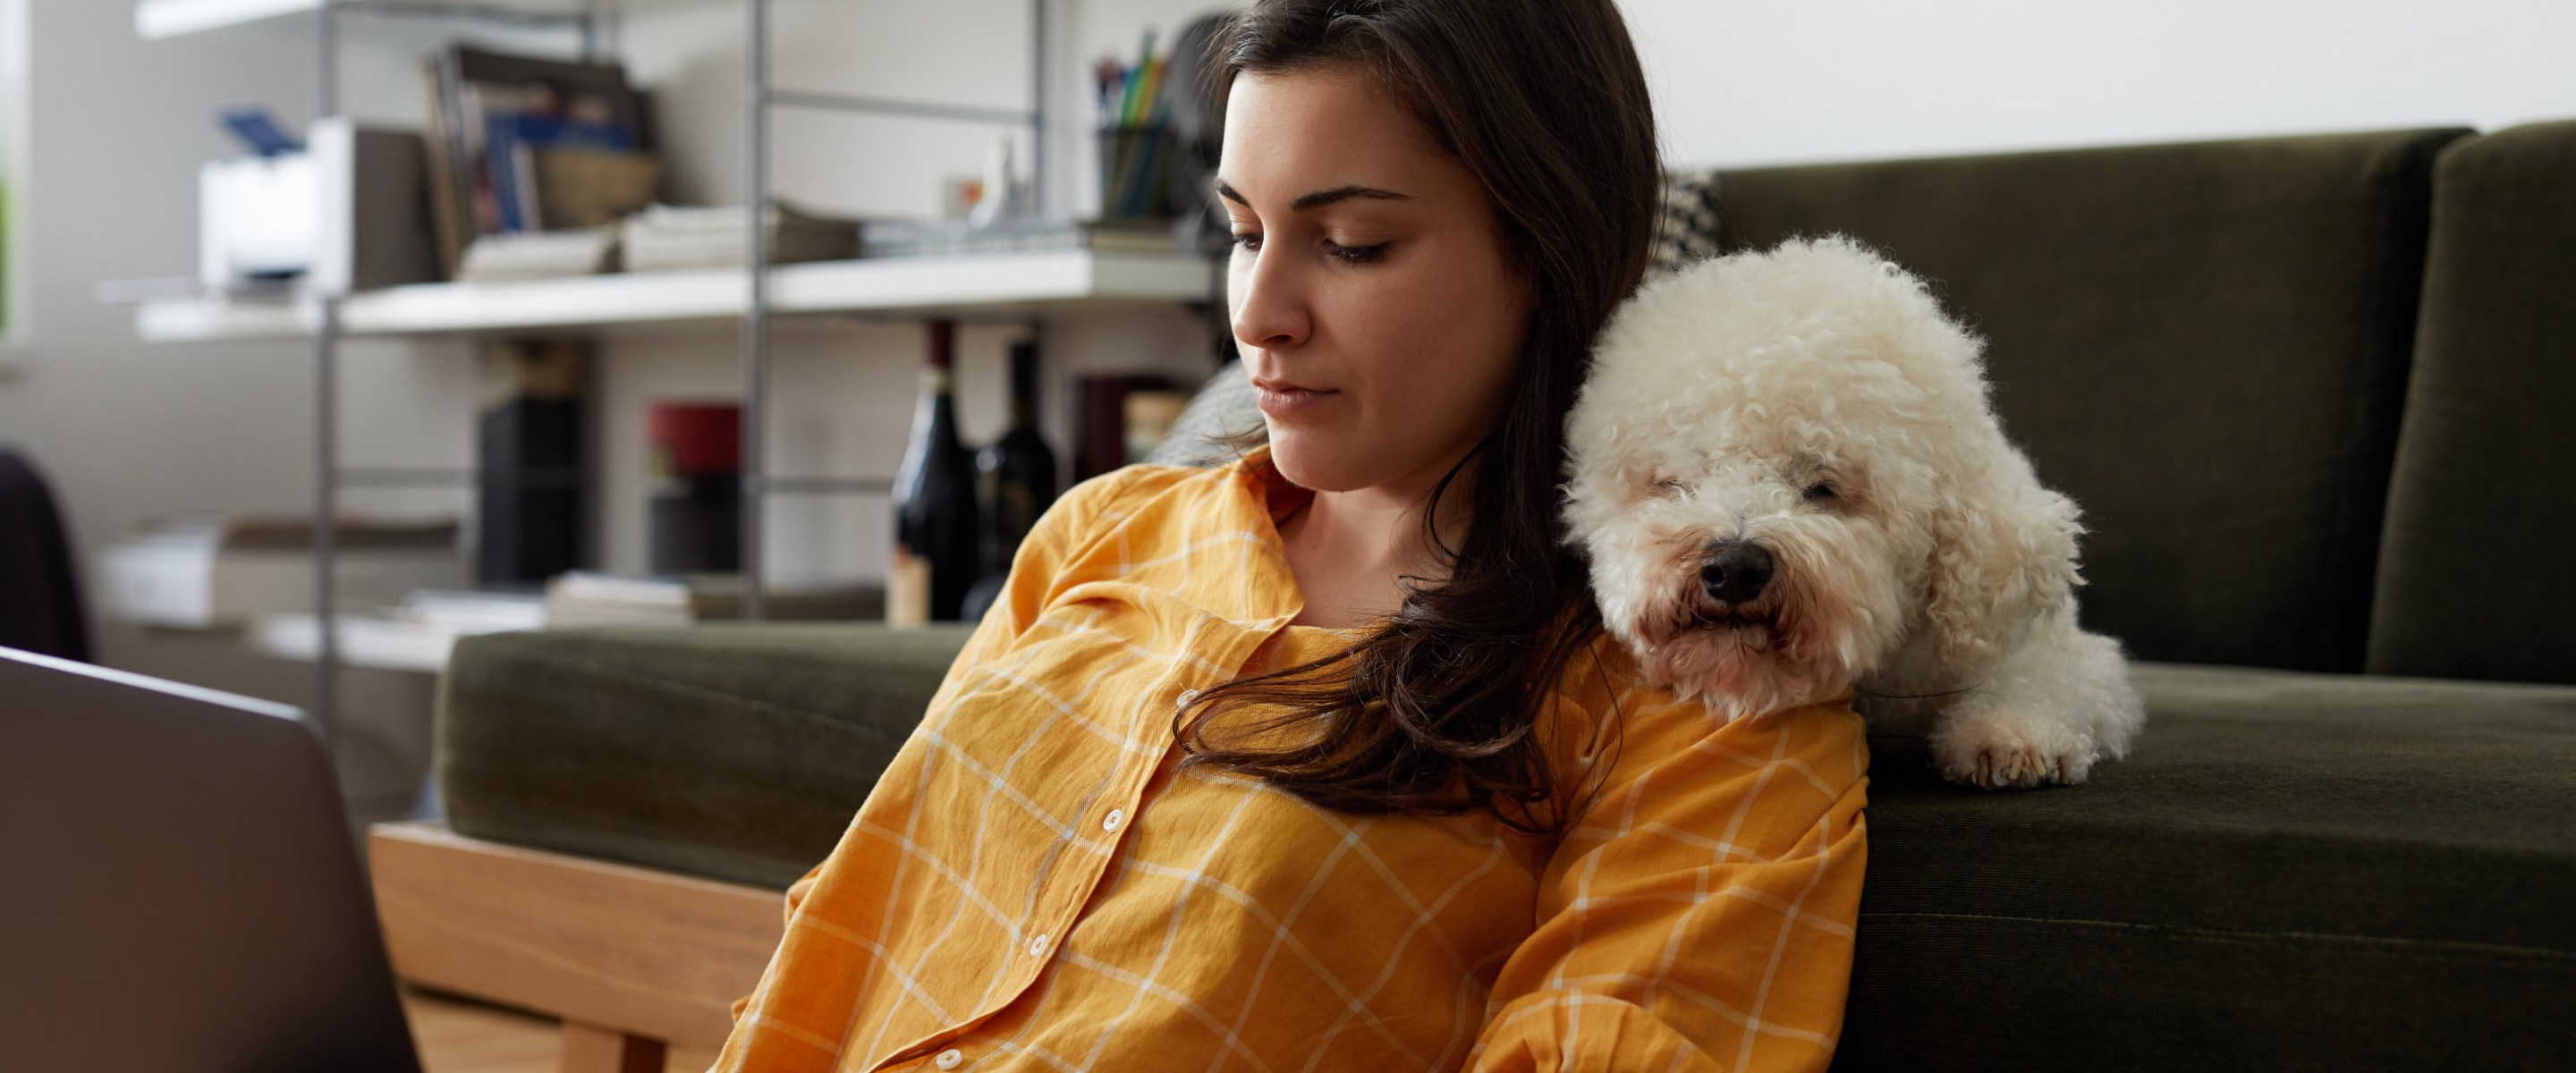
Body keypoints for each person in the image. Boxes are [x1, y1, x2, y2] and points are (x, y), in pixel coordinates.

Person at [710, 2, 1868, 1069]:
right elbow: (846, 939)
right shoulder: (1102, 535)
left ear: (1545, 249)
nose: (1257, 316)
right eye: (1241, 231)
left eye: (1351, 242)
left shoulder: (1694, 687)